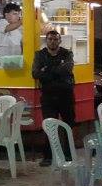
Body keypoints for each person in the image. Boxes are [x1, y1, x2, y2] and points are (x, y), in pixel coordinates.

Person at [32, 28, 76, 165]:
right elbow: (35, 73)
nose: (53, 42)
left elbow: (67, 69)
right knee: (49, 126)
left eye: (55, 39)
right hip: (48, 96)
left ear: (60, 41)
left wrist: (46, 70)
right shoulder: (40, 55)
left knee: (68, 125)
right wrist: (57, 70)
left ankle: (68, 155)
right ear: (46, 41)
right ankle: (48, 157)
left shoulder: (67, 53)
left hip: (66, 95)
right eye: (50, 39)